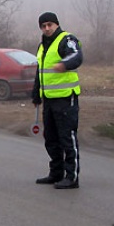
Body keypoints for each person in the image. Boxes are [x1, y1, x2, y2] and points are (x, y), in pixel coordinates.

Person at [32, 12, 83, 189]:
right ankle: (56, 173)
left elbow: (76, 56)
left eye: (49, 25)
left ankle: (72, 177)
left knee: (67, 138)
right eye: (43, 26)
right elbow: (40, 71)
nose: (47, 28)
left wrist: (64, 64)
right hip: (49, 99)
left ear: (56, 24)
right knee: (50, 138)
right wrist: (36, 94)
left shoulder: (66, 39)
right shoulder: (42, 46)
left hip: (65, 98)